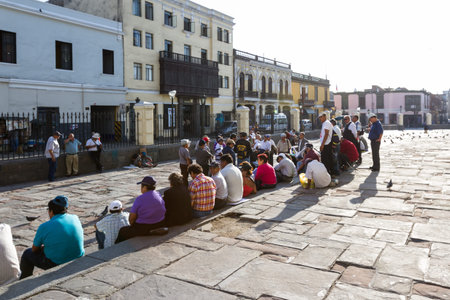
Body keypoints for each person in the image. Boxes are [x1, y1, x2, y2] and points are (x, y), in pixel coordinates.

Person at [20, 196, 84, 279]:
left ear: (51, 211)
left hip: (56, 262)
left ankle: (24, 279)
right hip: (77, 256)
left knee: (27, 254)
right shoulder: (75, 217)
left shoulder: (44, 226)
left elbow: (34, 249)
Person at [116, 176, 166, 243]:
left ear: (144, 187)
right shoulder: (158, 194)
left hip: (145, 227)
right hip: (160, 222)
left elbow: (131, 219)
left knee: (123, 231)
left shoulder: (140, 199)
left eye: (141, 186)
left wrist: (133, 226)